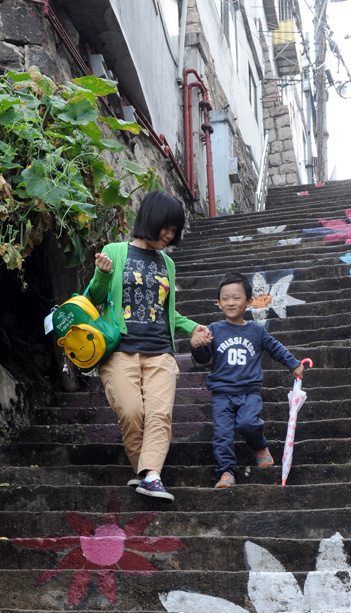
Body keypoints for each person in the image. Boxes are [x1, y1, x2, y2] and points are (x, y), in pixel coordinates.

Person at [86, 191, 212, 500]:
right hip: (119, 351)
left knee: (159, 415)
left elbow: (168, 310)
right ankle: (145, 472)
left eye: (174, 230)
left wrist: (193, 327)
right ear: (150, 220)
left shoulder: (167, 263)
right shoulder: (114, 252)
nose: (169, 235)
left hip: (160, 352)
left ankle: (152, 475)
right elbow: (93, 300)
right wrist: (102, 275)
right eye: (165, 227)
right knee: (131, 412)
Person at [190, 271, 304, 488]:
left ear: (249, 302)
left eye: (236, 297)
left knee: (248, 423)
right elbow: (204, 359)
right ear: (218, 303)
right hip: (221, 393)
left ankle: (260, 446)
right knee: (222, 434)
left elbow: (275, 348)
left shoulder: (256, 330)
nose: (230, 302)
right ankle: (226, 472)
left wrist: (293, 364)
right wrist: (197, 346)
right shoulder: (213, 329)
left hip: (249, 392)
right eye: (225, 298)